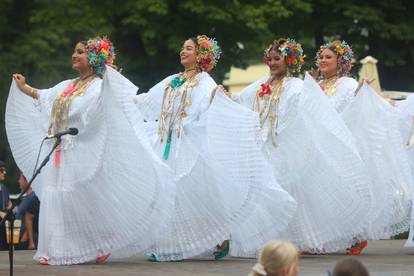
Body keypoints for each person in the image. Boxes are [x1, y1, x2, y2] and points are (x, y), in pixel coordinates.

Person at [6, 36, 176, 265]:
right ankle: (53, 250)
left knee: (82, 198)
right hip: (60, 150)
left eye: (80, 52)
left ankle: (100, 243)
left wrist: (111, 78)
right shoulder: (68, 85)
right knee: (56, 196)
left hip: (83, 150)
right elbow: (45, 95)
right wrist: (24, 87)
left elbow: (112, 103)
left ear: (94, 58)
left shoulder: (99, 85)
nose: (74, 55)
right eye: (74, 51)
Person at [134, 35, 296, 261]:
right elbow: (148, 100)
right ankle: (165, 242)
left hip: (191, 145)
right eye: (182, 48)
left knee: (199, 194)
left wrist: (219, 99)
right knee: (168, 191)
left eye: (188, 49)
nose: (183, 52)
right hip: (167, 144)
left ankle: (220, 235)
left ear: (201, 55)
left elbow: (211, 108)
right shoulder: (173, 80)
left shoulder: (204, 82)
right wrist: (121, 96)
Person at [228, 38, 372, 255]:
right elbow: (240, 99)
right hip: (277, 147)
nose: (273, 62)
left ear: (289, 61)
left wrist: (361, 93)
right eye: (271, 58)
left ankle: (349, 234)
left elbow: (320, 112)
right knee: (291, 193)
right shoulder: (264, 85)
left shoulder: (302, 86)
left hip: (312, 146)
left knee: (318, 193)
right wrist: (223, 96)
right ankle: (299, 240)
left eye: (278, 58)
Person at [313, 40, 413, 254]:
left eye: (328, 57)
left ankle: (355, 236)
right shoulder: (317, 86)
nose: (322, 60)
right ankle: (318, 241)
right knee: (318, 193)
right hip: (317, 147)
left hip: (340, 148)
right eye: (321, 57)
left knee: (344, 193)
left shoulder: (347, 84)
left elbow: (358, 106)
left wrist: (361, 91)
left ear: (340, 62)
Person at [15, 173, 39, 250]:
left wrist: (26, 237)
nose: (18, 181)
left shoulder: (33, 197)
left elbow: (32, 219)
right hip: (20, 238)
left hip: (26, 240)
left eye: (20, 179)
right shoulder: (26, 197)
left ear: (27, 181)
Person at [0, 161, 12, 250]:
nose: (5, 172)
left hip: (4, 228)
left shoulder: (4, 188)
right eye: (1, 170)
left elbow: (8, 203)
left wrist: (10, 205)